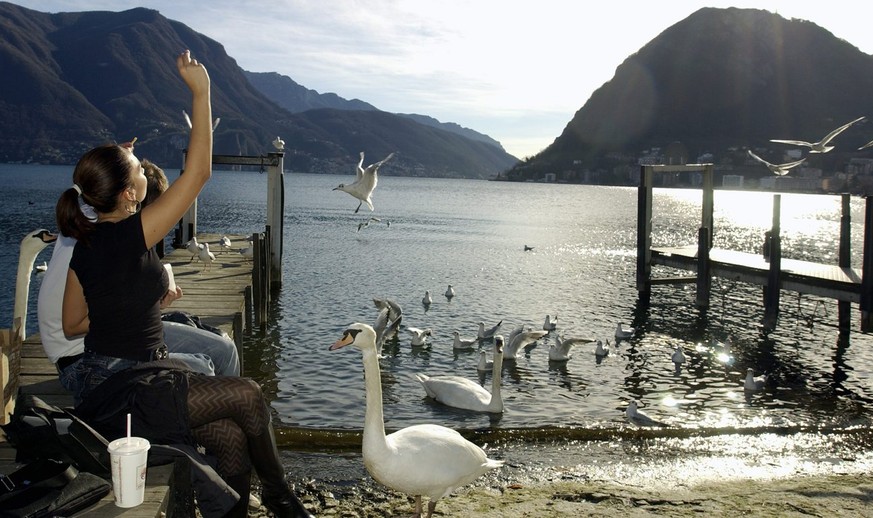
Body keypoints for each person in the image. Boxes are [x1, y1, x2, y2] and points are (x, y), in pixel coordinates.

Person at [55, 51, 309, 518]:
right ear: (131, 193)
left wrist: (129, 306)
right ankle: (279, 496)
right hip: (128, 389)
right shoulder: (130, 235)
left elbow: (72, 323)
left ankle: (241, 510)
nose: (143, 168)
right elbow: (199, 174)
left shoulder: (87, 240)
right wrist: (201, 91)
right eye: (136, 168)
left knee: (232, 436)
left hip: (112, 377)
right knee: (248, 393)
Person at [37, 158, 241, 381]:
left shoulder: (88, 212)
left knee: (224, 349)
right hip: (80, 353)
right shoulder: (102, 234)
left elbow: (111, 298)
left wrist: (149, 303)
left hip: (114, 333)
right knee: (203, 367)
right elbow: (80, 321)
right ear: (128, 193)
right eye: (139, 170)